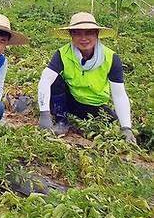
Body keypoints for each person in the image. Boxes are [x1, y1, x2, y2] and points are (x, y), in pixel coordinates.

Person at [37, 12, 135, 143]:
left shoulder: (111, 58)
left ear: (97, 34)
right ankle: (62, 120)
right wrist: (44, 114)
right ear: (71, 35)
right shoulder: (63, 54)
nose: (83, 38)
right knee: (54, 80)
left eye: (89, 32)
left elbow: (119, 94)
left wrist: (126, 127)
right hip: (70, 101)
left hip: (96, 106)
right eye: (77, 33)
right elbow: (45, 80)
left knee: (112, 121)